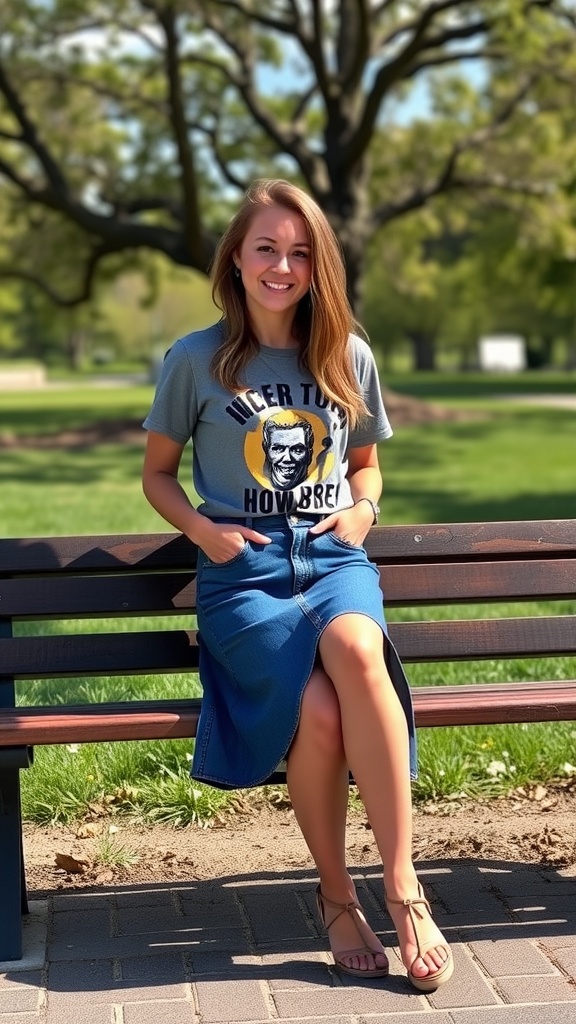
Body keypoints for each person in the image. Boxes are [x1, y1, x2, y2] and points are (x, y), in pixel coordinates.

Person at [142, 178, 453, 991]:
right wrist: (207, 534)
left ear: (319, 264)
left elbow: (367, 465)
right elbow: (158, 477)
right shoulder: (194, 360)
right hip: (243, 571)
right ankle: (336, 895)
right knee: (315, 713)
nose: (282, 265)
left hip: (331, 557)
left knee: (357, 646)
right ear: (236, 260)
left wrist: (366, 510)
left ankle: (403, 888)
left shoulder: (347, 352)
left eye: (300, 251)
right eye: (266, 249)